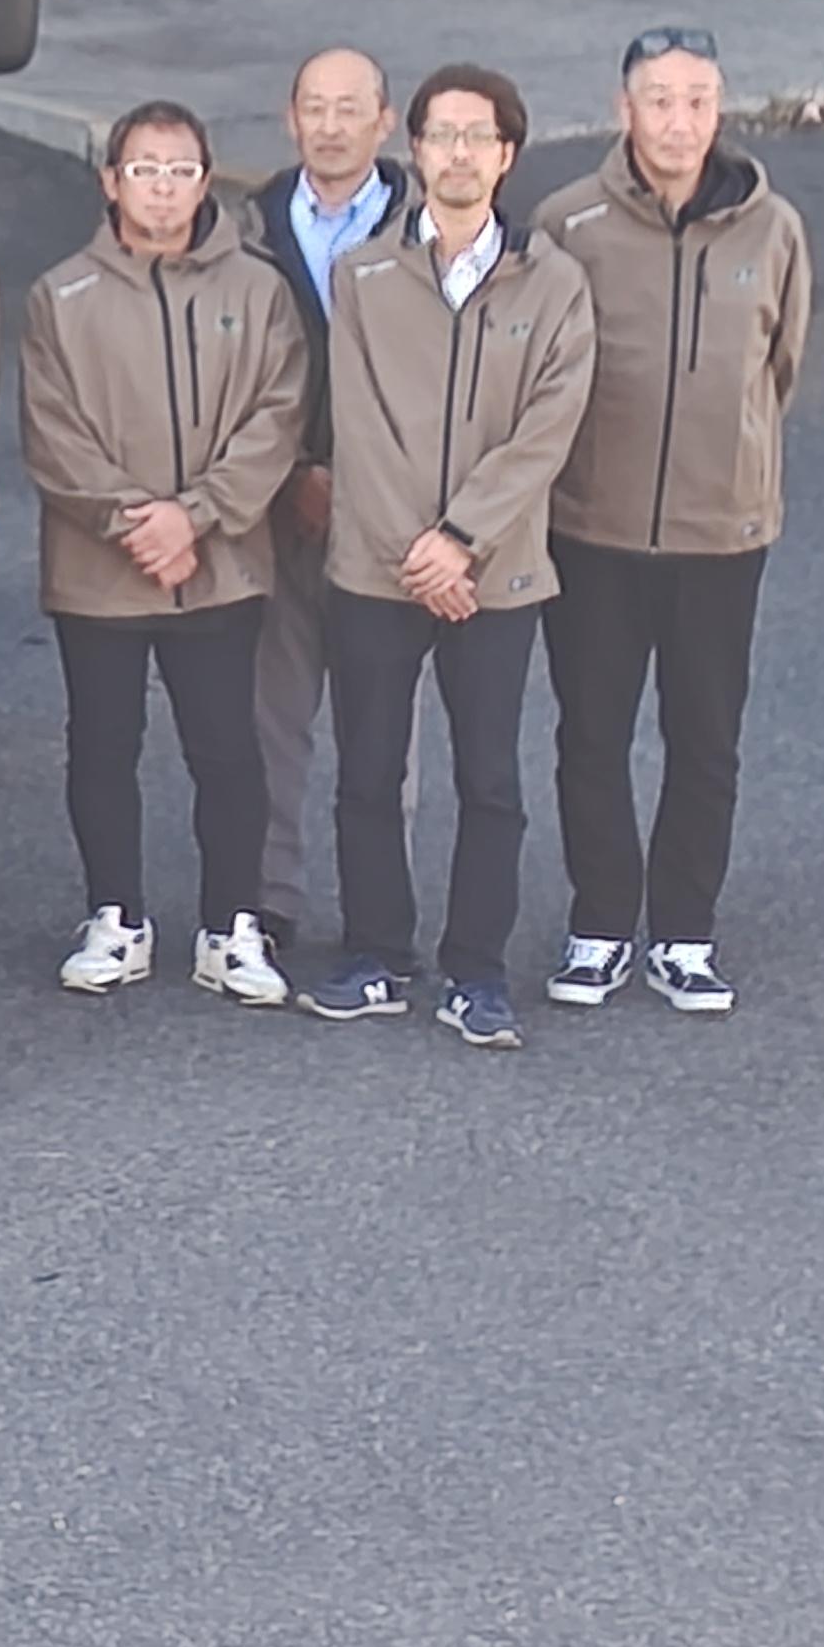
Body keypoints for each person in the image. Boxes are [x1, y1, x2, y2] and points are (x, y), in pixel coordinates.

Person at [301, 66, 595, 1050]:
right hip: (375, 570)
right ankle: (375, 951)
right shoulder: (364, 274)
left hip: (496, 573)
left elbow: (545, 431)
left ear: (506, 156)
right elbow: (364, 427)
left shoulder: (553, 284)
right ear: (414, 152)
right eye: (439, 136)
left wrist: (462, 540)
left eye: (478, 137)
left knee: (490, 781)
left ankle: (477, 971)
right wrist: (412, 551)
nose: (457, 154)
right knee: (366, 772)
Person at [536, 26, 811, 1017]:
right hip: (591, 527)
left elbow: (778, 368)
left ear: (719, 109)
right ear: (623, 111)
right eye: (658, 100)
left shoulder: (771, 228)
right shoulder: (568, 224)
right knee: (591, 735)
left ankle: (684, 931)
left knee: (706, 740)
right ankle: (601, 920)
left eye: (697, 100)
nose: (678, 120)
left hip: (720, 531)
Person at [19, 100, 307, 1008]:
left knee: (229, 752)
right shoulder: (59, 293)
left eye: (181, 169)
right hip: (99, 569)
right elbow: (50, 430)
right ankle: (116, 916)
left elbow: (279, 414)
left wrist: (199, 516)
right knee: (102, 748)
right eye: (144, 168)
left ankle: (233, 927)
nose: (163, 187)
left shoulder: (256, 289)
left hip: (218, 564)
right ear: (111, 181)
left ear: (206, 178)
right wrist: (134, 521)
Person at [240, 47, 410, 963]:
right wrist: (298, 471)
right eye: (316, 107)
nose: (333, 125)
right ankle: (268, 905)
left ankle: (378, 916)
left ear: (386, 122)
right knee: (273, 715)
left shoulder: (432, 227)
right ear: (290, 118)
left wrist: (370, 483)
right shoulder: (248, 230)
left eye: (353, 109)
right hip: (278, 506)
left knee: (385, 727)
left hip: (392, 518)